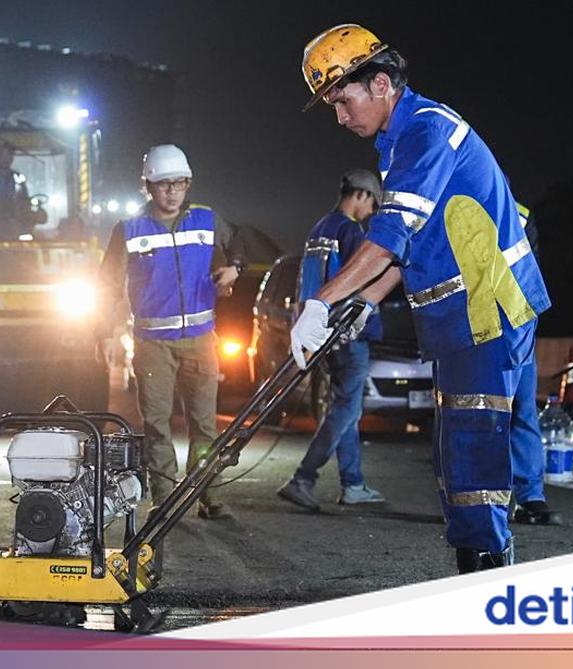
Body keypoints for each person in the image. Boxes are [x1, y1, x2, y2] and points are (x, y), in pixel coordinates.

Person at [290, 24, 551, 572]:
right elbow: (414, 245)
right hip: (462, 320)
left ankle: (487, 583)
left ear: (381, 83)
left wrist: (323, 300)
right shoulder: (399, 141)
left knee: (474, 453)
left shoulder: (427, 130)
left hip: (486, 312)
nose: (340, 117)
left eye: (342, 100)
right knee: (455, 452)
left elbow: (391, 235)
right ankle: (476, 570)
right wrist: (365, 300)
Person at [97, 144, 245, 519]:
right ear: (148, 186)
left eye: (179, 183)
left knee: (205, 426)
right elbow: (107, 284)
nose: (172, 191)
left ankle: (209, 496)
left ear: (188, 183)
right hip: (152, 345)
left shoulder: (208, 221)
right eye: (163, 184)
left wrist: (235, 269)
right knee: (157, 425)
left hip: (201, 341)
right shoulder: (129, 230)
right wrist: (103, 331)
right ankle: (165, 501)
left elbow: (238, 243)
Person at [278, 169, 387, 510]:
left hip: (323, 334)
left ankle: (353, 483)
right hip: (347, 333)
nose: (371, 214)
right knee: (345, 409)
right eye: (373, 204)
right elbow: (362, 277)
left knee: (346, 408)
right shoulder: (350, 231)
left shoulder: (319, 227)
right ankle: (303, 478)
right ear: (362, 196)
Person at [508, 203, 562, 526]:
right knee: (471, 416)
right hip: (474, 328)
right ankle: (470, 501)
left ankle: (530, 496)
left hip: (516, 326)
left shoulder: (521, 215)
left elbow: (529, 274)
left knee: (523, 410)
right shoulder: (457, 201)